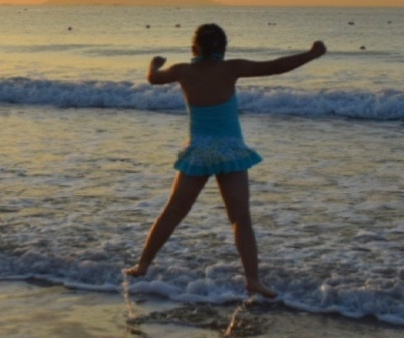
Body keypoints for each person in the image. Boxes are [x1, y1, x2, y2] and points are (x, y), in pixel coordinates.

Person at [125, 24, 326, 298]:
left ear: (194, 47)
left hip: (199, 151)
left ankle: (142, 265)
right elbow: (276, 66)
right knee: (240, 219)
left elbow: (153, 78)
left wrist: (154, 62)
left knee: (173, 212)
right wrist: (312, 54)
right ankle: (252, 279)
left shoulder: (182, 70)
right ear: (223, 48)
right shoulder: (232, 68)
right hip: (230, 152)